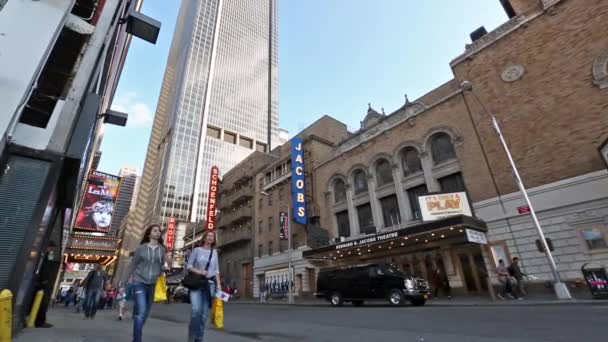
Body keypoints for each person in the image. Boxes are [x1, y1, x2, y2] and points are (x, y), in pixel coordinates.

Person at [125, 224, 167, 342]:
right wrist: (122, 283)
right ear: (149, 234)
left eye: (159, 231)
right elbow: (132, 265)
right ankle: (137, 339)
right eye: (155, 231)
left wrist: (164, 268)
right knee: (141, 311)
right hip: (139, 282)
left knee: (145, 314)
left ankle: (136, 336)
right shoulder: (141, 248)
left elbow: (162, 265)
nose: (158, 232)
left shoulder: (162, 250)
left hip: (153, 284)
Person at [187, 231, 221, 342]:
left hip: (210, 285)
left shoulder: (214, 252)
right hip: (197, 283)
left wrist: (219, 285)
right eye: (208, 236)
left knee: (204, 315)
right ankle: (191, 335)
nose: (211, 237)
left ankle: (199, 338)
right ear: (204, 238)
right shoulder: (197, 250)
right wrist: (200, 271)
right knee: (196, 310)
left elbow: (216, 270)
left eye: (212, 236)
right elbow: (189, 266)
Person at [33, 241, 60, 328]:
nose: (52, 250)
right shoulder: (42, 256)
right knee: (41, 302)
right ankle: (39, 321)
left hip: (42, 281)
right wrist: (43, 279)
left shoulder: (46, 256)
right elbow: (43, 268)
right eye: (51, 248)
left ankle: (39, 320)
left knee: (41, 301)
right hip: (40, 281)